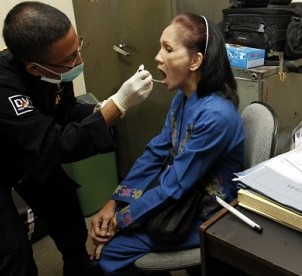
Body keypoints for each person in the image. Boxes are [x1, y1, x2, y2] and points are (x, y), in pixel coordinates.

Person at [0, 2, 154, 276]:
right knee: (12, 251)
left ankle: (79, 268)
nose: (78, 61)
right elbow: (53, 144)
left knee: (65, 210)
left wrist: (99, 110)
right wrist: (118, 106)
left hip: (27, 147)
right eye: (70, 59)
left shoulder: (53, 65)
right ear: (33, 68)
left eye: (77, 48)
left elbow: (62, 107)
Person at [89, 13, 244, 275]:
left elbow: (175, 186)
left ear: (195, 61)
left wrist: (120, 221)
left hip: (204, 215)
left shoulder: (216, 115)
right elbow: (155, 153)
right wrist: (114, 202)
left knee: (110, 251)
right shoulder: (184, 98)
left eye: (168, 49)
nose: (158, 57)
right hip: (181, 199)